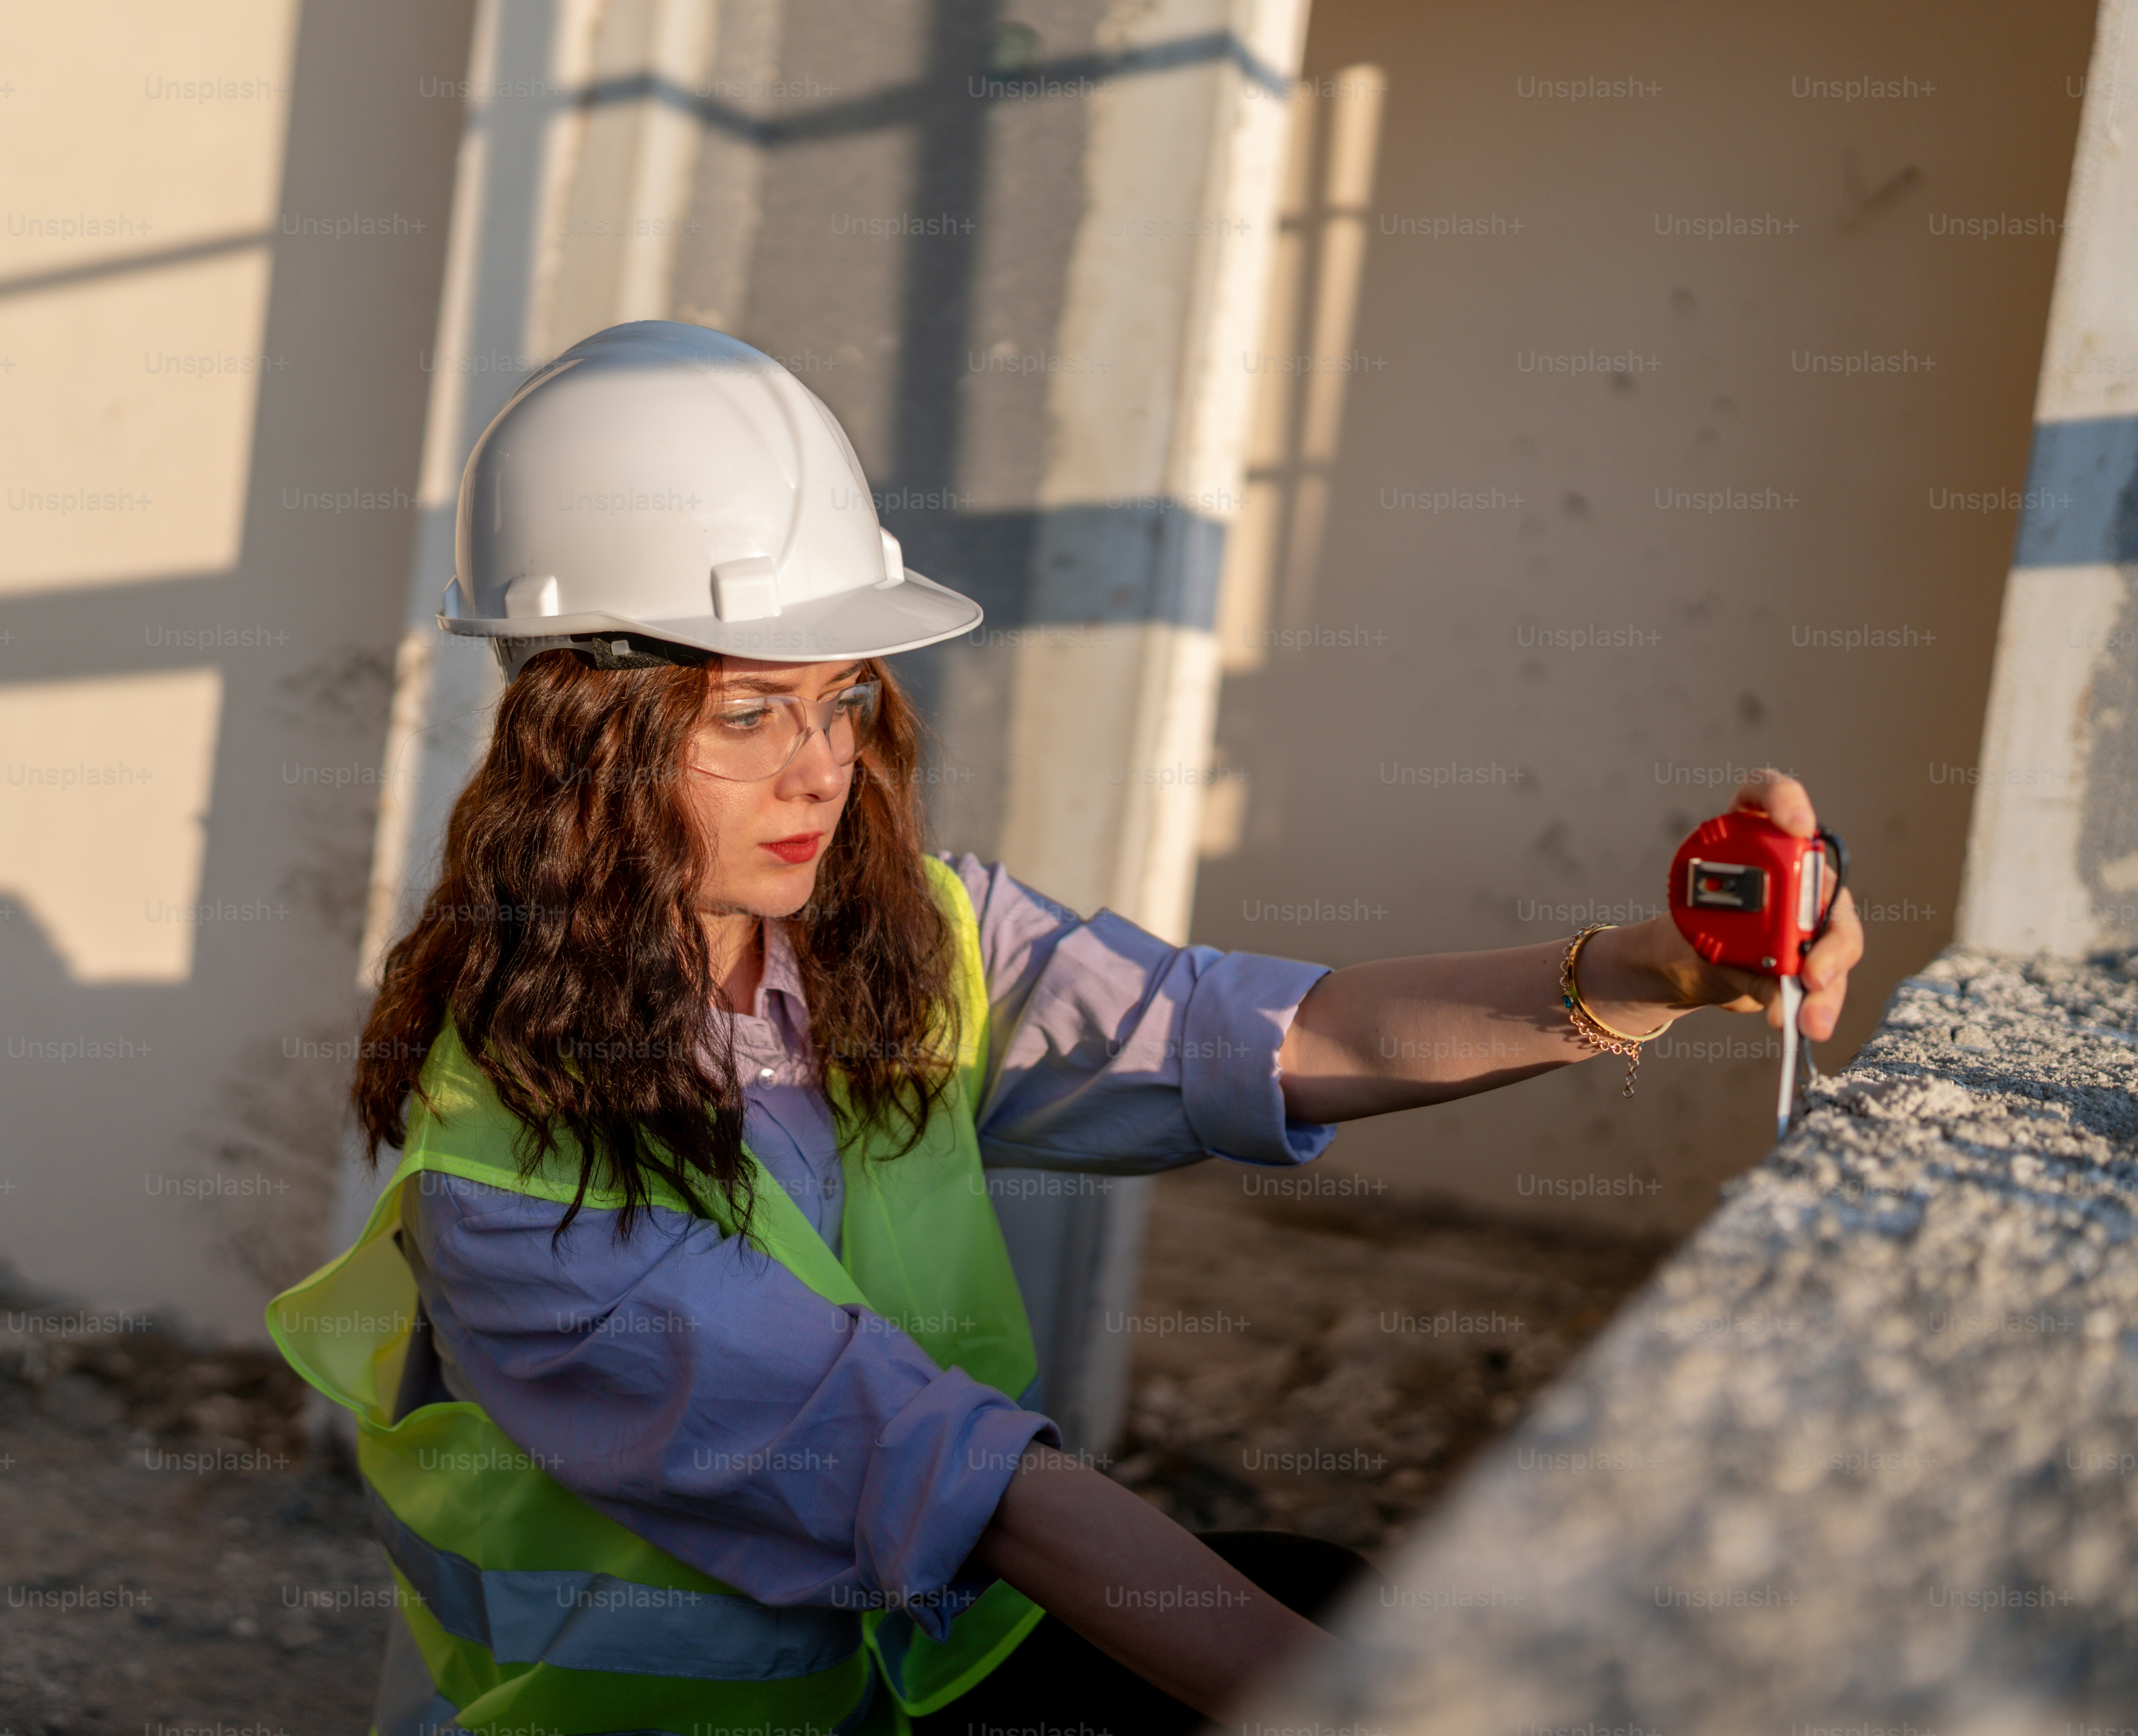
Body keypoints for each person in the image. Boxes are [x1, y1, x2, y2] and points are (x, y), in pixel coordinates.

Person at [269, 322, 1865, 1735]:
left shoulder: (897, 943)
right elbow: (960, 1482)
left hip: (917, 1665)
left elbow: (1249, 1036)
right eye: (748, 713)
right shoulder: (531, 1187)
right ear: (582, 747)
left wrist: (1660, 973)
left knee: (1336, 1582)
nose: (820, 767)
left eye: (840, 698)